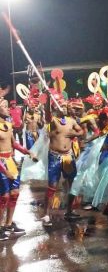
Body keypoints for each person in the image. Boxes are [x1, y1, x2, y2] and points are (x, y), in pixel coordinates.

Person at [42, 93, 84, 227]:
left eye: (66, 106)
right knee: (52, 186)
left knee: (71, 184)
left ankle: (69, 210)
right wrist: (48, 98)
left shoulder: (71, 121)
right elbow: (47, 113)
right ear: (56, 107)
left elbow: (81, 131)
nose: (65, 108)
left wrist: (74, 134)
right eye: (62, 106)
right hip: (55, 156)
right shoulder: (53, 120)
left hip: (68, 156)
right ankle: (46, 214)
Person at [0, 99, 37, 240]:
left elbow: (14, 143)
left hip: (11, 162)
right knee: (4, 196)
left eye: (6, 105)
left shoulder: (8, 124)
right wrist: (4, 171)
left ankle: (8, 224)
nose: (7, 108)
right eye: (3, 106)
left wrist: (28, 152)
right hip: (1, 164)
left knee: (14, 193)